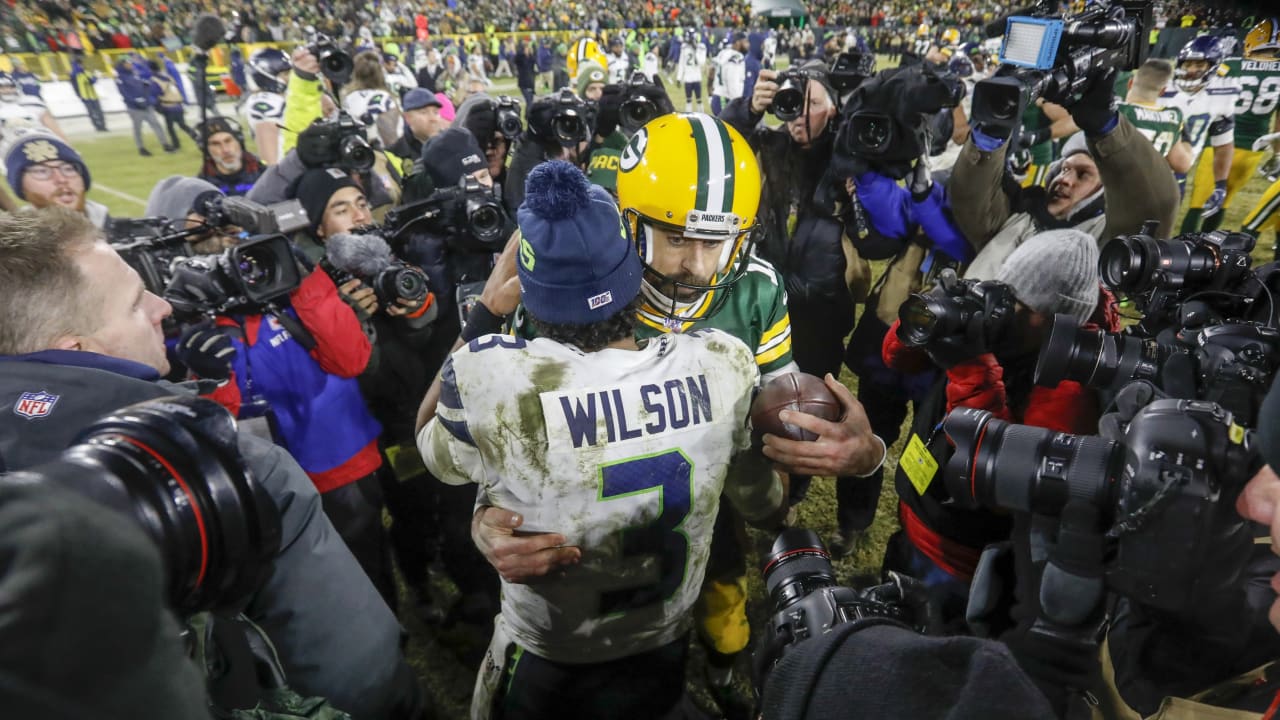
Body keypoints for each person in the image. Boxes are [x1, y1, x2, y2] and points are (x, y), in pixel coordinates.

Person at [477, 112, 885, 716]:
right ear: (627, 222)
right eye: (675, 238)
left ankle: (721, 665)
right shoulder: (570, 286)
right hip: (585, 508)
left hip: (707, 490)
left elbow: (769, 408)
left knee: (724, 599)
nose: (696, 265)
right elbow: (511, 434)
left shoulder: (755, 287)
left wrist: (860, 453)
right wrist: (486, 516)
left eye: (715, 240)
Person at [0, 207, 424, 720]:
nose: (162, 307)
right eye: (136, 304)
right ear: (78, 347)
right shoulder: (212, 461)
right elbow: (360, 669)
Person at [415, 160, 786, 719]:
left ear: (531, 292)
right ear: (631, 275)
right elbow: (765, 501)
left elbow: (427, 439)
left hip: (547, 659)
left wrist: (487, 311)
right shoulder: (722, 363)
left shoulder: (490, 377)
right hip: (662, 642)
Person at [722, 61, 873, 554]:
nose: (798, 115)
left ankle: (806, 488)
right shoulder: (773, 148)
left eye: (811, 102)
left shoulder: (845, 156)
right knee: (763, 407)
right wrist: (749, 109)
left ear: (833, 105)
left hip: (821, 314)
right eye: (791, 103)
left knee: (812, 403)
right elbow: (728, 143)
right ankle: (774, 497)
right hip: (769, 308)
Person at [951, 71, 1180, 282]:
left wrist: (1107, 130)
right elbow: (970, 196)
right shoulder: (1014, 214)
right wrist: (990, 138)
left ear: (1103, 191)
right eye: (1064, 169)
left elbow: (1156, 208)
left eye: (1083, 175)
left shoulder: (1103, 242)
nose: (1066, 179)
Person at [1165, 35, 1238, 233]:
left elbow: (1223, 145)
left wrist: (1220, 185)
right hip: (1141, 168)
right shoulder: (1162, 88)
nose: (1191, 70)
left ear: (1213, 67)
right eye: (1188, 64)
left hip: (1176, 177)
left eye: (1199, 64)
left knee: (1159, 235)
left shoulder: (1221, 96)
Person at [4, 133, 110, 229]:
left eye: (68, 169)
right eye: (42, 172)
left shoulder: (123, 232)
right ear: (22, 187)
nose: (61, 179)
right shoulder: (13, 248)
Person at [1118, 59, 1193, 175]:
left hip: (1113, 184)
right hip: (1152, 187)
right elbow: (1182, 164)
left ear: (1130, 83)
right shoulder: (1173, 117)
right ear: (1162, 91)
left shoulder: (1120, 111)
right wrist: (1187, 140)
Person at [342, 50, 402, 149]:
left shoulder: (348, 99)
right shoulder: (385, 98)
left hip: (357, 155)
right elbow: (391, 139)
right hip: (386, 156)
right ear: (380, 73)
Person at [243, 48, 291, 166]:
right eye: (285, 74)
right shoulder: (265, 103)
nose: (290, 77)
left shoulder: (281, 98)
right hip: (285, 170)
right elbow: (270, 158)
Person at [115, 60, 172, 157]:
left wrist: (147, 98)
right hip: (134, 108)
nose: (130, 65)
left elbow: (146, 83)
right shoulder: (120, 78)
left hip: (147, 106)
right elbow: (124, 93)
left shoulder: (136, 74)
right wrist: (135, 101)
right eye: (127, 64)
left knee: (156, 124)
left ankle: (165, 144)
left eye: (130, 63)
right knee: (138, 128)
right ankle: (141, 148)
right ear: (122, 65)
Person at [196, 116, 264, 197]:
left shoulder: (263, 173)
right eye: (216, 144)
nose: (225, 150)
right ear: (206, 151)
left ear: (239, 142)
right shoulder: (202, 185)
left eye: (228, 141)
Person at [389, 87, 446, 164]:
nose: (433, 119)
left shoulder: (451, 145)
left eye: (436, 112)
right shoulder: (393, 155)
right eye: (424, 112)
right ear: (408, 118)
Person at [151, 60, 198, 151]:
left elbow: (157, 93)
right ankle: (196, 137)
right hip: (178, 105)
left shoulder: (155, 79)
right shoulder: (168, 76)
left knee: (171, 128)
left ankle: (176, 145)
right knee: (182, 125)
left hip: (168, 106)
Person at [709, 31, 748, 117]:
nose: (747, 45)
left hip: (717, 96)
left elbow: (711, 70)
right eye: (745, 42)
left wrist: (710, 92)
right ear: (738, 43)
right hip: (725, 99)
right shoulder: (736, 57)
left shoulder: (723, 53)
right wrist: (738, 103)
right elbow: (732, 82)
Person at [69, 53, 107, 132]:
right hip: (87, 96)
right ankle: (100, 127)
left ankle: (101, 126)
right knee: (95, 112)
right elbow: (91, 81)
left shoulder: (79, 73)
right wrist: (96, 77)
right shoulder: (78, 74)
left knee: (96, 112)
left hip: (90, 95)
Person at [676, 29, 707, 112]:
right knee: (688, 100)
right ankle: (688, 117)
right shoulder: (684, 47)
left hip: (697, 76)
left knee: (699, 100)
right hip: (688, 77)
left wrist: (696, 49)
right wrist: (679, 77)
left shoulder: (701, 47)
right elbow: (681, 62)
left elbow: (702, 62)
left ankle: (702, 117)